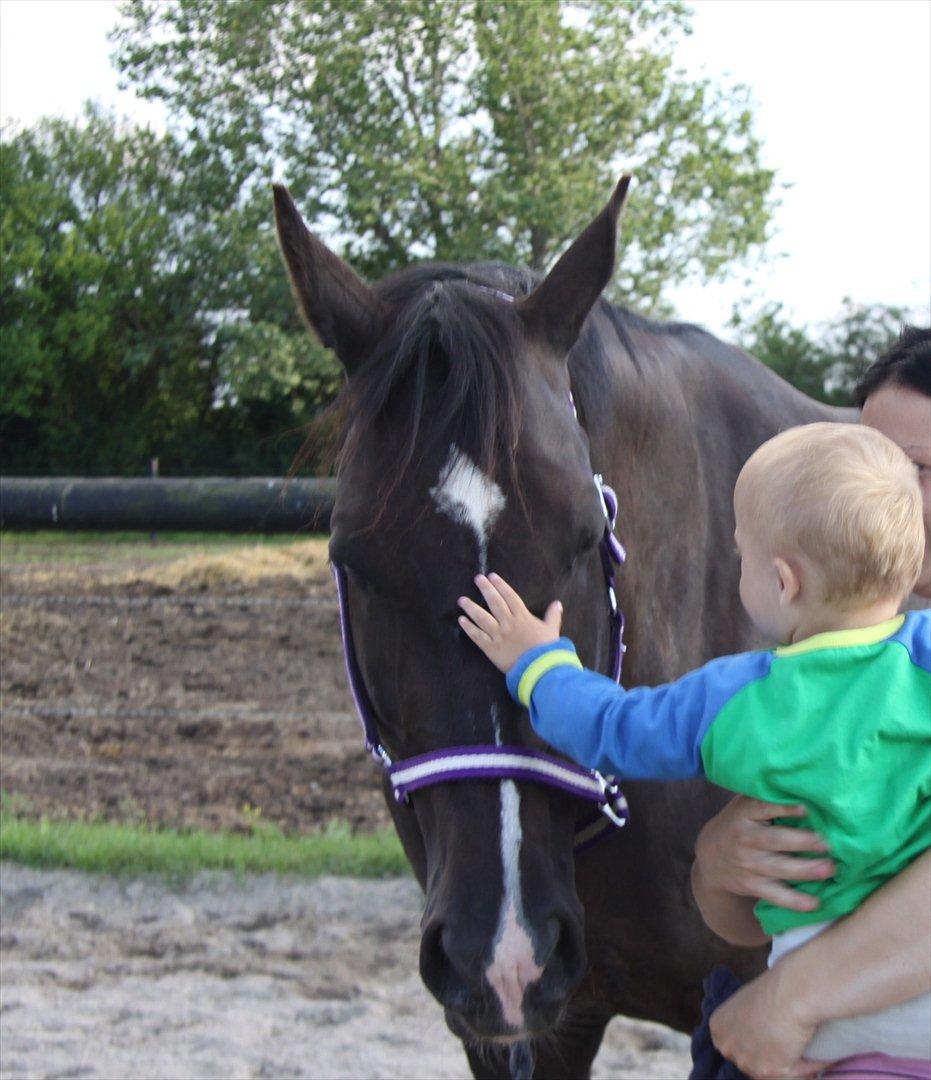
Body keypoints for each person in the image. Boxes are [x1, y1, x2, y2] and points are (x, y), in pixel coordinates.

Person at [455, 421, 930, 1078]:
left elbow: (610, 730)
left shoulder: (739, 697)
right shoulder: (923, 661)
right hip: (908, 983)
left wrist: (535, 663)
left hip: (823, 1006)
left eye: (740, 555)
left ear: (783, 582)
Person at [692, 327, 931, 1078]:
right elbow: (746, 915)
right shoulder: (835, 654)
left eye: (916, 469)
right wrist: (718, 867)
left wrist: (789, 999)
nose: (884, 497)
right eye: (870, 464)